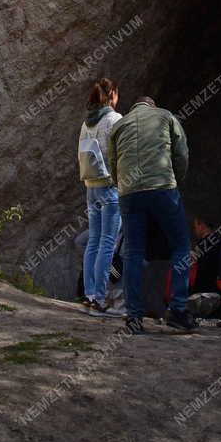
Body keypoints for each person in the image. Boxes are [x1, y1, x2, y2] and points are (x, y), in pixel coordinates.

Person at [107, 95, 197, 335]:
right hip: (162, 189)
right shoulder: (165, 116)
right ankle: (178, 310)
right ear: (152, 105)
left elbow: (112, 161)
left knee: (132, 252)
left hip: (129, 193)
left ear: (135, 106)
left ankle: (134, 317)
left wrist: (122, 187)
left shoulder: (119, 125)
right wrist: (176, 180)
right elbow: (181, 153)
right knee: (181, 246)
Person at [77, 78, 122, 313]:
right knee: (108, 242)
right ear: (112, 94)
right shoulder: (114, 119)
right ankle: (101, 298)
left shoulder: (87, 122)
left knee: (93, 240)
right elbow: (120, 154)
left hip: (90, 186)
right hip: (109, 187)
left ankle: (89, 293)